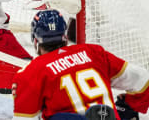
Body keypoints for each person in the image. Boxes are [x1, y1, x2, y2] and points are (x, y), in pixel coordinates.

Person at [11, 9, 149, 120]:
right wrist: (129, 106)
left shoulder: (30, 72)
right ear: (65, 37)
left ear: (36, 42)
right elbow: (143, 79)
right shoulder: (94, 52)